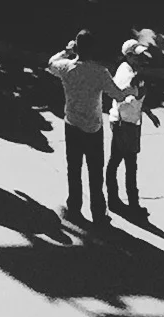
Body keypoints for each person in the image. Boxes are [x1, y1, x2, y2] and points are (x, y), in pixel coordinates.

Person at [47, 32, 116, 225]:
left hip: (72, 124)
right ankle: (98, 212)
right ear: (93, 49)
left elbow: (51, 63)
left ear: (77, 47)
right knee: (95, 172)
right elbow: (117, 94)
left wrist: (66, 51)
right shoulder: (100, 72)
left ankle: (74, 208)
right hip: (93, 127)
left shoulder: (66, 67)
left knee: (74, 168)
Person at [109, 37, 157, 215]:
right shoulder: (127, 75)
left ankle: (117, 201)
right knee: (127, 164)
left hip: (130, 123)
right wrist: (137, 92)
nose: (141, 58)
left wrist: (148, 112)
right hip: (124, 124)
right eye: (137, 56)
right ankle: (130, 205)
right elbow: (123, 98)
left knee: (120, 163)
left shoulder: (132, 71)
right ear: (128, 56)